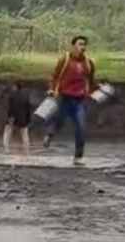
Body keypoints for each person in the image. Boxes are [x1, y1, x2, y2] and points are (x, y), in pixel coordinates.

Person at [43, 35, 96, 165]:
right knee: (58, 121)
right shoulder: (65, 60)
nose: (82, 47)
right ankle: (49, 135)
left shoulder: (88, 63)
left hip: (80, 99)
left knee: (80, 126)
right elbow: (54, 76)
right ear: (73, 46)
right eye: (79, 44)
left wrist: (98, 90)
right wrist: (51, 89)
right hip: (64, 96)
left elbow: (92, 81)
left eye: (84, 45)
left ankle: (79, 156)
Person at [3, 81, 31, 154]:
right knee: (24, 135)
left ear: (15, 86)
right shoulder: (25, 96)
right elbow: (28, 109)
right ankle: (26, 150)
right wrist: (28, 119)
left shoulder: (11, 96)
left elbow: (10, 108)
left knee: (7, 133)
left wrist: (10, 117)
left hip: (13, 118)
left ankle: (7, 149)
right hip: (23, 119)